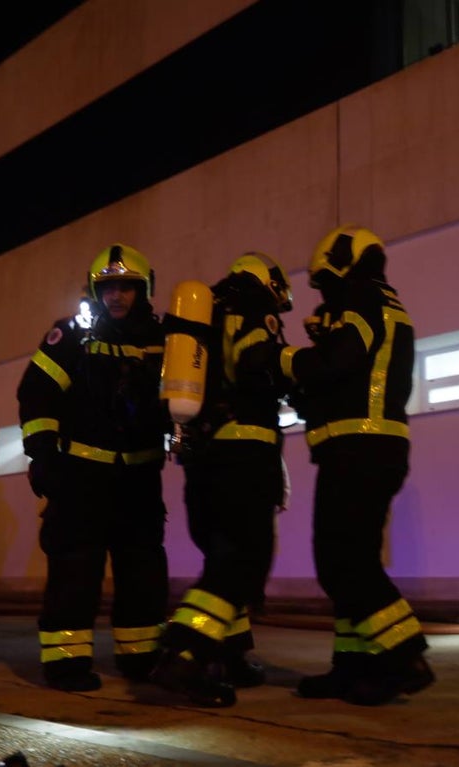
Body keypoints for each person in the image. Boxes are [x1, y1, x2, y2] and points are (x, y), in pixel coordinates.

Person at [263, 224, 434, 706]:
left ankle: (405, 655)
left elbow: (338, 361)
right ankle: (355, 667)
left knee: (341, 562)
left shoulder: (361, 299)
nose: (323, 297)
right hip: (368, 448)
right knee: (351, 558)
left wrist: (284, 360)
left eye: (325, 283)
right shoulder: (382, 301)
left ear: (340, 265)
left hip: (359, 448)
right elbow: (344, 376)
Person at [16, 243, 170, 691]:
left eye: (127, 287)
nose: (117, 296)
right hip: (81, 477)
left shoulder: (165, 343)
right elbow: (36, 394)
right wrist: (43, 455)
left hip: (140, 479)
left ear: (145, 290)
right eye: (108, 288)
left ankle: (141, 658)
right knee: (75, 572)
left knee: (143, 572)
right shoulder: (72, 337)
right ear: (93, 291)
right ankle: (65, 663)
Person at [152, 252, 293, 708]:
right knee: (243, 563)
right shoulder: (253, 304)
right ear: (267, 281)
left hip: (204, 460)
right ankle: (185, 653)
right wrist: (296, 372)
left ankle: (227, 656)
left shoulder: (205, 312)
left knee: (222, 560)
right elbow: (257, 362)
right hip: (245, 454)